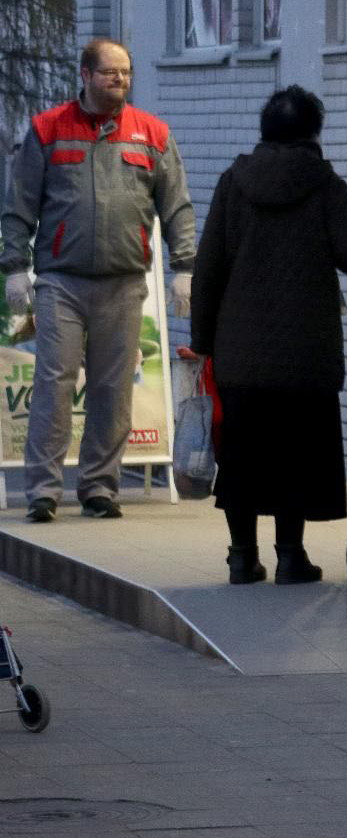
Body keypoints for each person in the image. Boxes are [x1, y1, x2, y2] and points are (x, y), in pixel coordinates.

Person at [1, 38, 196, 522]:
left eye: (126, 73)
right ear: (85, 75)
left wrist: (185, 268)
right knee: (53, 384)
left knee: (113, 389)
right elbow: (19, 203)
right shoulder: (48, 130)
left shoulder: (151, 134)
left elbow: (176, 206)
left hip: (124, 283)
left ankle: (98, 488)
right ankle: (43, 491)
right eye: (110, 73)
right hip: (61, 282)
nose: (120, 81)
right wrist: (13, 267)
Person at [191, 86, 347, 585]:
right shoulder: (325, 183)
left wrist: (204, 344)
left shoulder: (234, 182)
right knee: (295, 452)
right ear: (314, 131)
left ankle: (241, 557)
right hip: (304, 351)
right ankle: (292, 556)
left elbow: (208, 268)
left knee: (243, 454)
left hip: (240, 349)